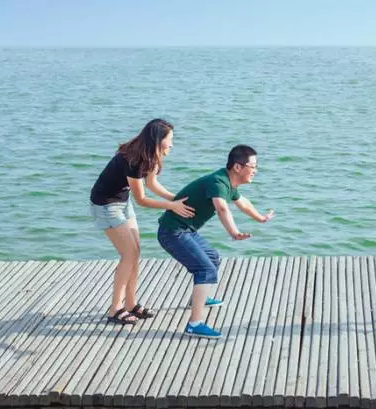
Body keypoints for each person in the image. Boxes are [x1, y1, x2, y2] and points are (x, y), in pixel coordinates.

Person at [157, 144, 274, 338]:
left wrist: (260, 218)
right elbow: (221, 208)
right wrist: (234, 232)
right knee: (206, 270)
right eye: (253, 166)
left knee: (212, 258)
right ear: (238, 167)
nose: (255, 171)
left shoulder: (228, 182)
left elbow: (243, 203)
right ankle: (194, 324)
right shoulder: (218, 182)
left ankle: (198, 298)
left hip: (185, 231)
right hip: (172, 232)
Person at [90, 119, 195, 325]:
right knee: (128, 255)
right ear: (157, 140)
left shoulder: (151, 155)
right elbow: (142, 200)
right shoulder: (135, 159)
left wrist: (176, 199)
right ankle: (115, 309)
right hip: (105, 205)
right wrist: (172, 206)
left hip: (122, 202)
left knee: (135, 253)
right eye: (170, 140)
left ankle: (131, 304)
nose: (172, 144)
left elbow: (152, 184)